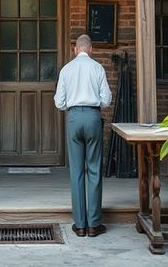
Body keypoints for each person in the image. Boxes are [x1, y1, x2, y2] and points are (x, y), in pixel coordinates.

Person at [54, 34, 112, 238]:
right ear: (91, 49)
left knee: (76, 171)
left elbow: (59, 102)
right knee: (94, 170)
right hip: (93, 116)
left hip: (74, 118)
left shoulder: (66, 69)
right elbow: (106, 100)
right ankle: (94, 224)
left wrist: (73, 105)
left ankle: (80, 225)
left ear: (75, 49)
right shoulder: (98, 68)